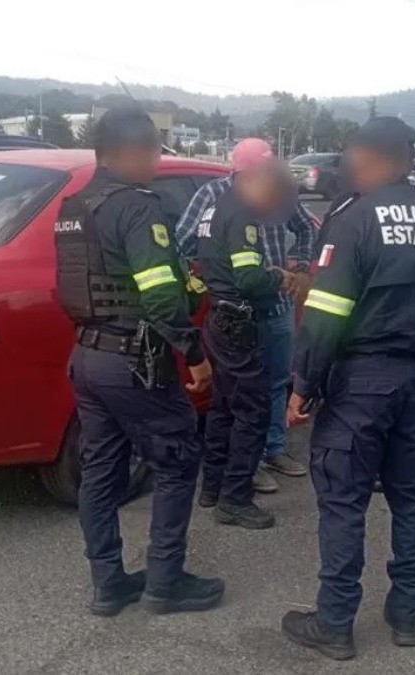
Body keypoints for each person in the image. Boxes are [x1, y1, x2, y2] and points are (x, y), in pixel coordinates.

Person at [280, 117, 415, 660]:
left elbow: (324, 317)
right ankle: (406, 615)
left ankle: (335, 623)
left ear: (368, 157)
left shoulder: (354, 221)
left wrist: (303, 385)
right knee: (410, 501)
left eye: (350, 155)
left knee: (344, 504)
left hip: (360, 385)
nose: (346, 164)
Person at [56, 106, 223, 616]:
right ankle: (165, 582)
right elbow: (160, 296)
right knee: (176, 461)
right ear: (130, 151)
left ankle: (108, 583)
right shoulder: (136, 207)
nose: (157, 159)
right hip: (133, 360)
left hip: (88, 356)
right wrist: (194, 353)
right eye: (153, 150)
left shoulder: (74, 206)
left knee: (102, 469)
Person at [175, 139, 314, 496]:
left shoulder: (278, 196)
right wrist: (217, 269)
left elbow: (305, 227)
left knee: (277, 380)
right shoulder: (216, 196)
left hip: (277, 306)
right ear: (243, 171)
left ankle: (274, 450)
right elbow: (184, 241)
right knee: (241, 397)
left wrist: (297, 264)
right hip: (241, 309)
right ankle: (244, 472)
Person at [196, 145, 297, 529]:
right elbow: (249, 278)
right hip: (238, 324)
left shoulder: (214, 208)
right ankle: (235, 498)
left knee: (222, 408)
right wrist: (279, 276)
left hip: (218, 319)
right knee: (252, 413)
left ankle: (213, 486)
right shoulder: (243, 216)